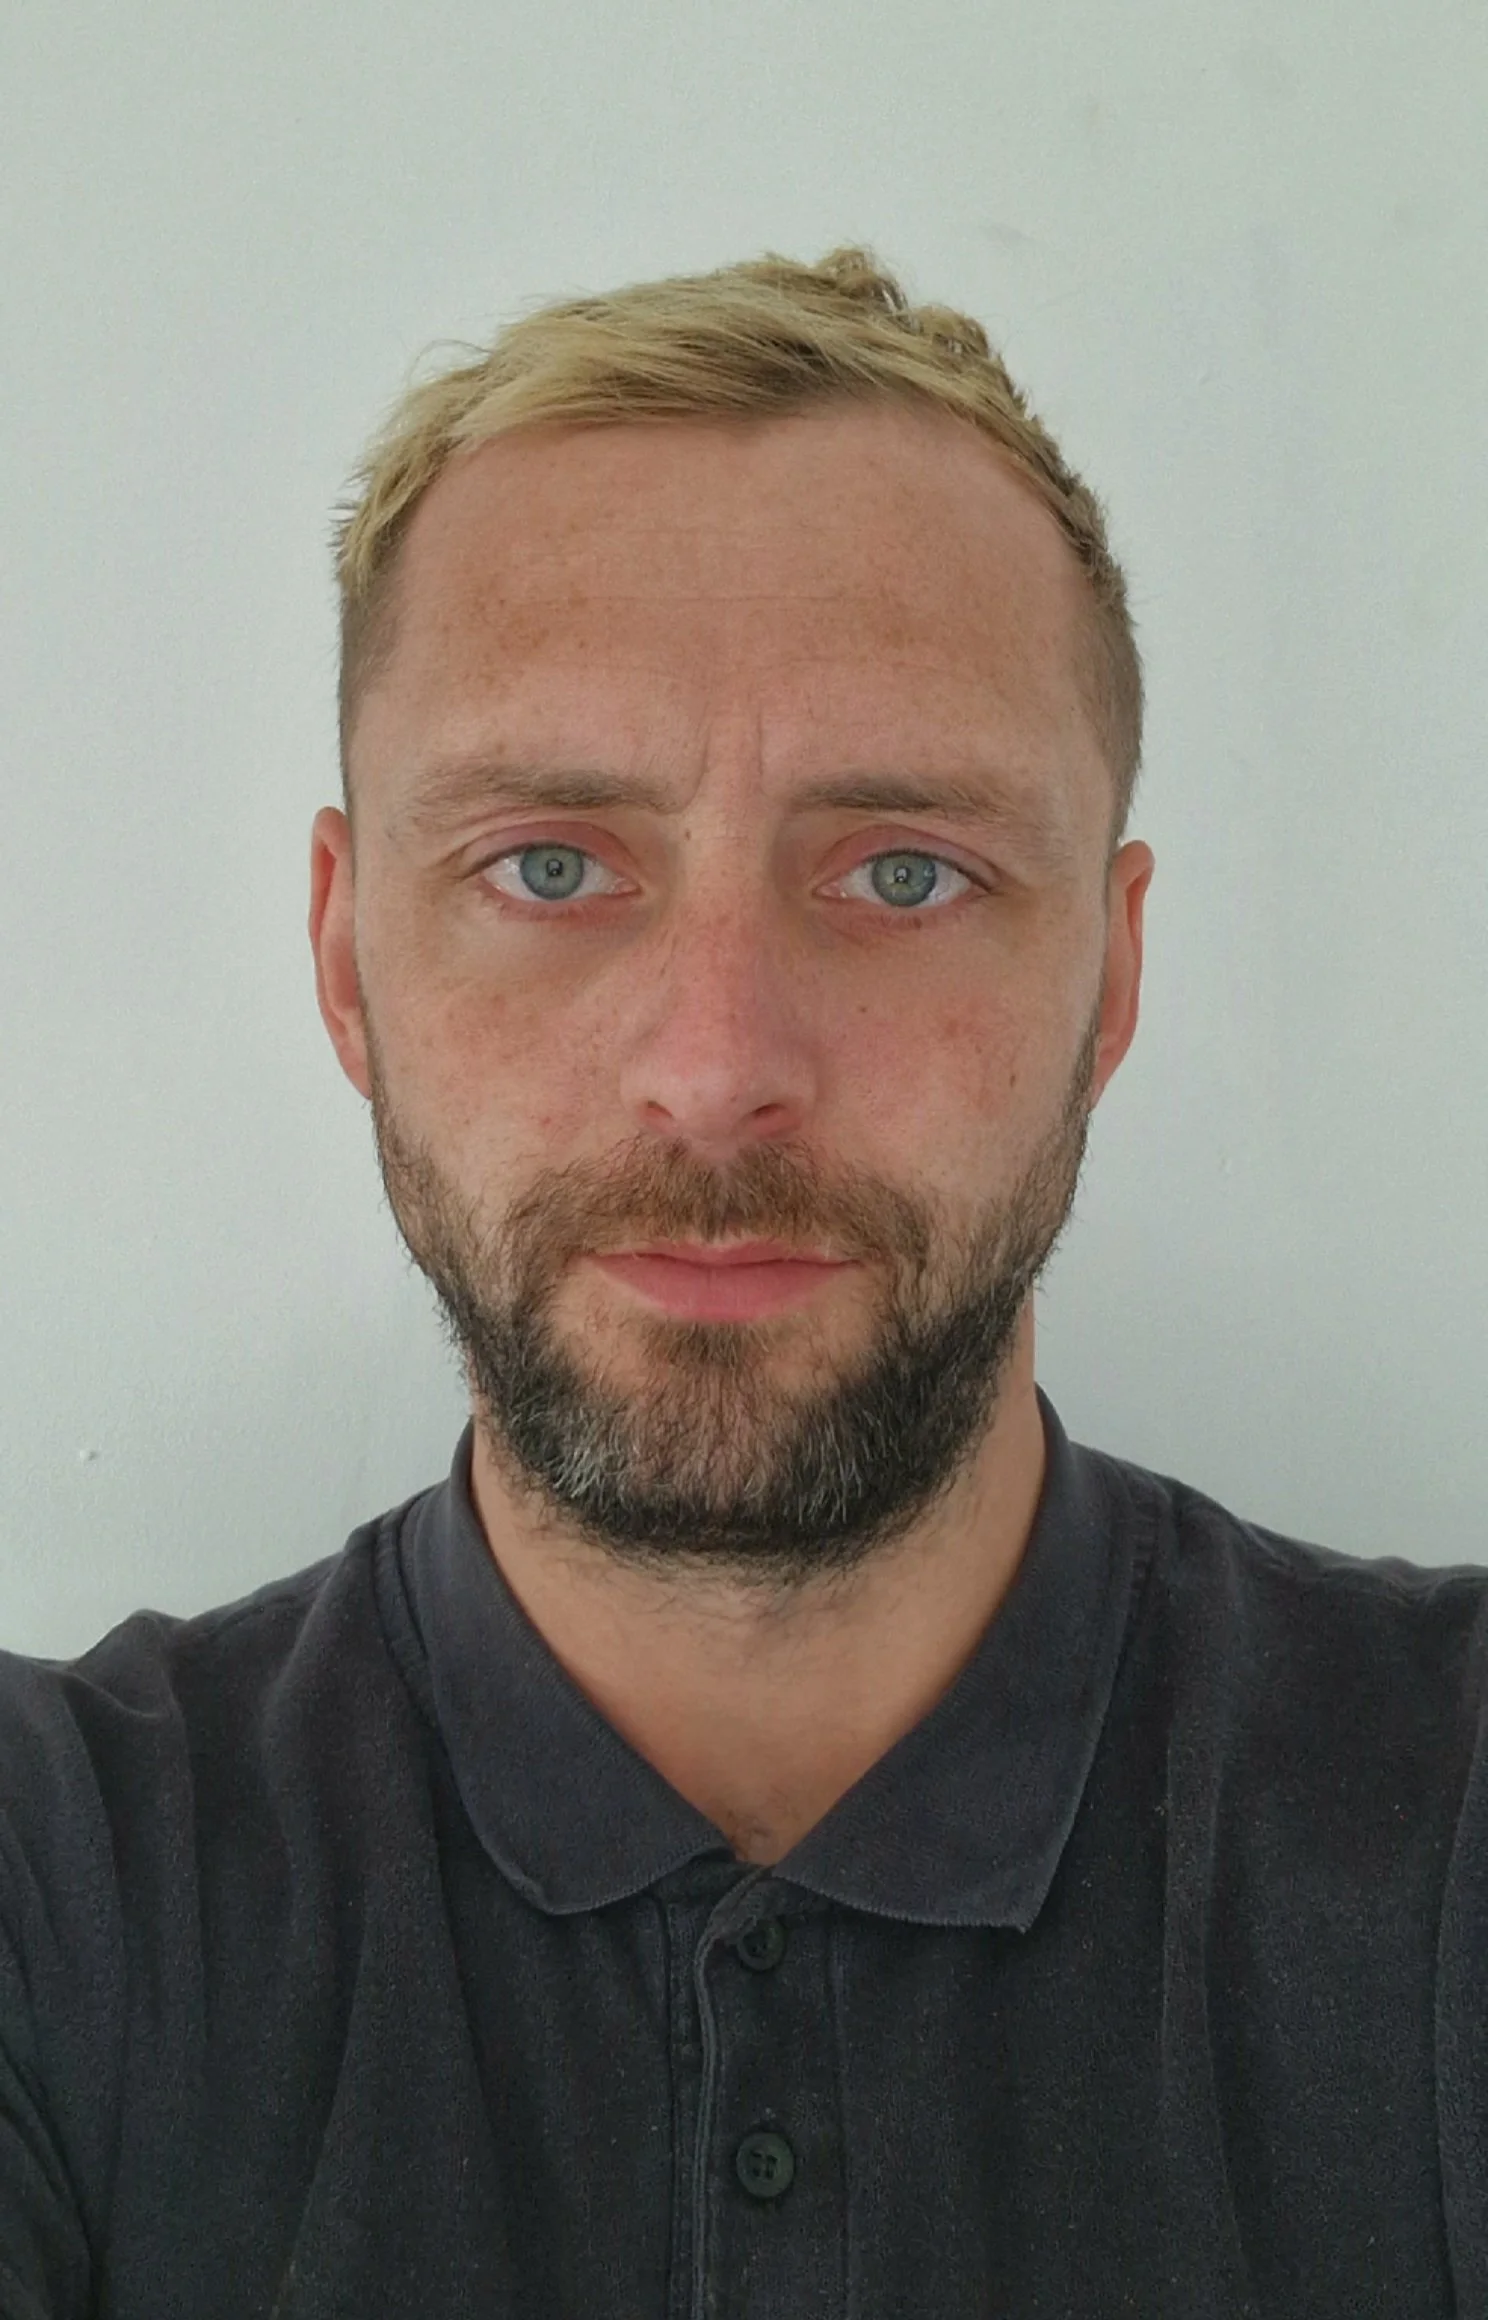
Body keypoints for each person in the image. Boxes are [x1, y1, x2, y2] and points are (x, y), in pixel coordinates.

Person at [1, 246, 1484, 2320]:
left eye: (903, 870)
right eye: (549, 862)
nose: (716, 1063)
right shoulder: (58, 1886)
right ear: (348, 958)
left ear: (1112, 975)